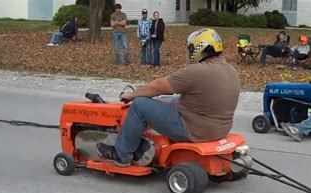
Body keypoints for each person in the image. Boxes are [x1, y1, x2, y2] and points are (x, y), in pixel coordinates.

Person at [96, 28, 241, 167]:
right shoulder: (231, 70)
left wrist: (132, 95)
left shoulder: (198, 71)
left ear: (200, 48)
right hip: (220, 129)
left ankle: (122, 154)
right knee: (169, 101)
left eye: (191, 49)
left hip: (194, 130)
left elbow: (159, 86)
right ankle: (143, 140)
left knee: (139, 105)